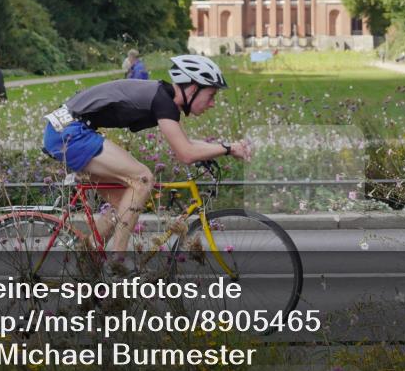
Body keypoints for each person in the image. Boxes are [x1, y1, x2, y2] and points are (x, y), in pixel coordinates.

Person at [42, 55, 250, 254]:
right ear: (194, 88)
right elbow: (186, 153)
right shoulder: (163, 101)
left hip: (67, 130)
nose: (212, 103)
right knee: (142, 179)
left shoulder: (163, 98)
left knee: (122, 206)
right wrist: (228, 149)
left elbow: (185, 144)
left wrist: (225, 147)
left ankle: (86, 260)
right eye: (211, 95)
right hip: (70, 132)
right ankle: (118, 264)